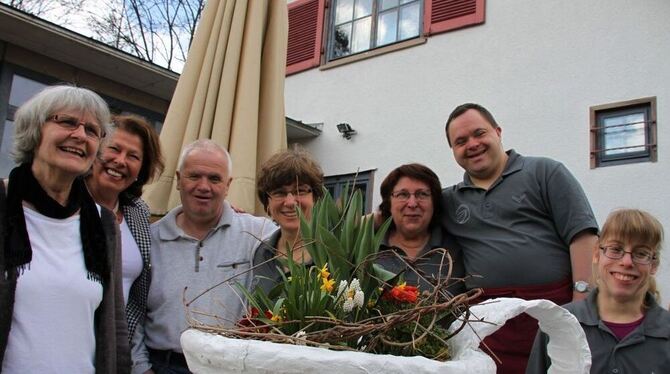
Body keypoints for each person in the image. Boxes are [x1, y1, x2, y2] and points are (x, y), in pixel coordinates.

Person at [442, 103, 599, 373]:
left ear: (498, 132)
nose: (473, 144)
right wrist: (370, 220)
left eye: (479, 133)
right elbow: (406, 212)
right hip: (490, 328)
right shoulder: (448, 200)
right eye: (461, 141)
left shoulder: (546, 172)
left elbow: (582, 235)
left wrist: (580, 303)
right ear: (453, 151)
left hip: (552, 314)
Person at [0, 85, 129, 372]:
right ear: (35, 131)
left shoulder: (103, 223)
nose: (80, 135)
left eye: (92, 131)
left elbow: (115, 324)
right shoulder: (3, 204)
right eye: (67, 122)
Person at [132, 139, 275, 374]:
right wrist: (140, 368)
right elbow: (133, 311)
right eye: (194, 176)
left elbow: (300, 248)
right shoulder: (149, 239)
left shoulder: (257, 233)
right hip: (163, 366)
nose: (204, 186)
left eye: (215, 179)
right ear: (178, 180)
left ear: (228, 185)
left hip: (231, 366)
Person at [526, 209, 670, 373]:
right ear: (596, 254)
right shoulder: (559, 324)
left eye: (641, 253)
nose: (627, 262)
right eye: (615, 249)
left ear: (654, 265)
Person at [85, 115, 164, 353]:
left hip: (113, 349)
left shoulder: (138, 213)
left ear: (141, 169)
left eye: (133, 156)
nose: (120, 161)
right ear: (95, 152)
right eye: (114, 149)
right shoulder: (66, 202)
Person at [375, 163, 465, 296]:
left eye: (422, 194)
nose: (412, 204)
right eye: (403, 194)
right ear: (389, 203)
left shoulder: (457, 249)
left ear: (434, 203)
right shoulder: (369, 249)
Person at [252, 147, 323, 292]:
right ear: (267, 203)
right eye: (279, 193)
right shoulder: (258, 254)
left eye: (300, 191)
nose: (290, 202)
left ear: (315, 198)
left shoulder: (335, 255)